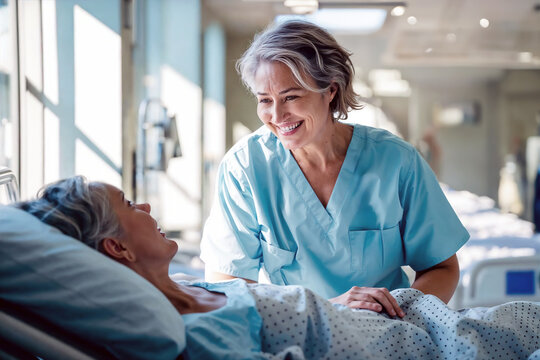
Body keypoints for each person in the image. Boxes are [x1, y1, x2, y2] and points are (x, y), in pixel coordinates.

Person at [14, 177, 540, 359]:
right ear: (118, 251)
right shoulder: (195, 336)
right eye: (131, 205)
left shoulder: (191, 289)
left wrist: (335, 305)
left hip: (413, 318)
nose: (148, 208)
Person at [200, 19, 470, 316]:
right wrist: (327, 311)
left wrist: (396, 318)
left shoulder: (396, 161)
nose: (277, 115)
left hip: (388, 332)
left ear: (330, 89)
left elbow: (442, 267)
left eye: (291, 96)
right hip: (295, 333)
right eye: (265, 100)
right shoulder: (245, 168)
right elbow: (229, 285)